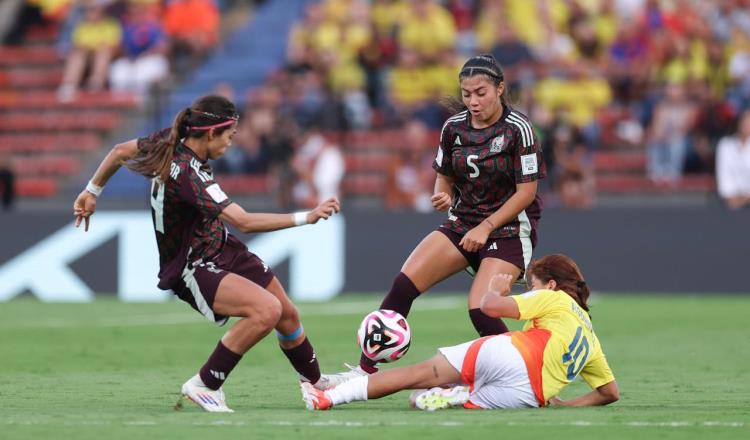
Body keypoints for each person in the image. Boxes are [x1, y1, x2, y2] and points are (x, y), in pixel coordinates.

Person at [72, 95, 343, 413]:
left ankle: (314, 383)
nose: (231, 143)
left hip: (222, 247)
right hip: (193, 266)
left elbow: (119, 151)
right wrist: (306, 217)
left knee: (286, 313)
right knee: (267, 311)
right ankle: (205, 384)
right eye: (229, 136)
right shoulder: (189, 173)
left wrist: (92, 191)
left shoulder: (169, 140)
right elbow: (245, 221)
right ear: (212, 132)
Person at [336, 53, 546, 379]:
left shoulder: (519, 130)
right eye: (467, 94)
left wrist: (487, 226)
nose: (473, 101)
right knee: (403, 286)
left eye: (481, 93)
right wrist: (442, 193)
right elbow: (444, 173)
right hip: (462, 223)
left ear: (500, 88)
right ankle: (364, 372)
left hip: (507, 230)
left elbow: (526, 193)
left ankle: (520, 375)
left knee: (482, 308)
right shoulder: (453, 127)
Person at [302, 254, 619, 411]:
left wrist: (497, 288)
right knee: (418, 400)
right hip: (528, 395)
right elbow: (610, 393)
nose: (531, 290)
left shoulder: (553, 297)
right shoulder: (591, 338)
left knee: (419, 374)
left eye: (532, 284)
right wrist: (566, 405)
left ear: (549, 284)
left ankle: (327, 398)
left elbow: (490, 308)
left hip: (512, 353)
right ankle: (461, 394)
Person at [716, 108, 750, 210]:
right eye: (745, 122)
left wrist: (745, 198)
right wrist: (730, 196)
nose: (747, 126)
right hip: (730, 202)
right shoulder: (725, 144)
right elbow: (723, 173)